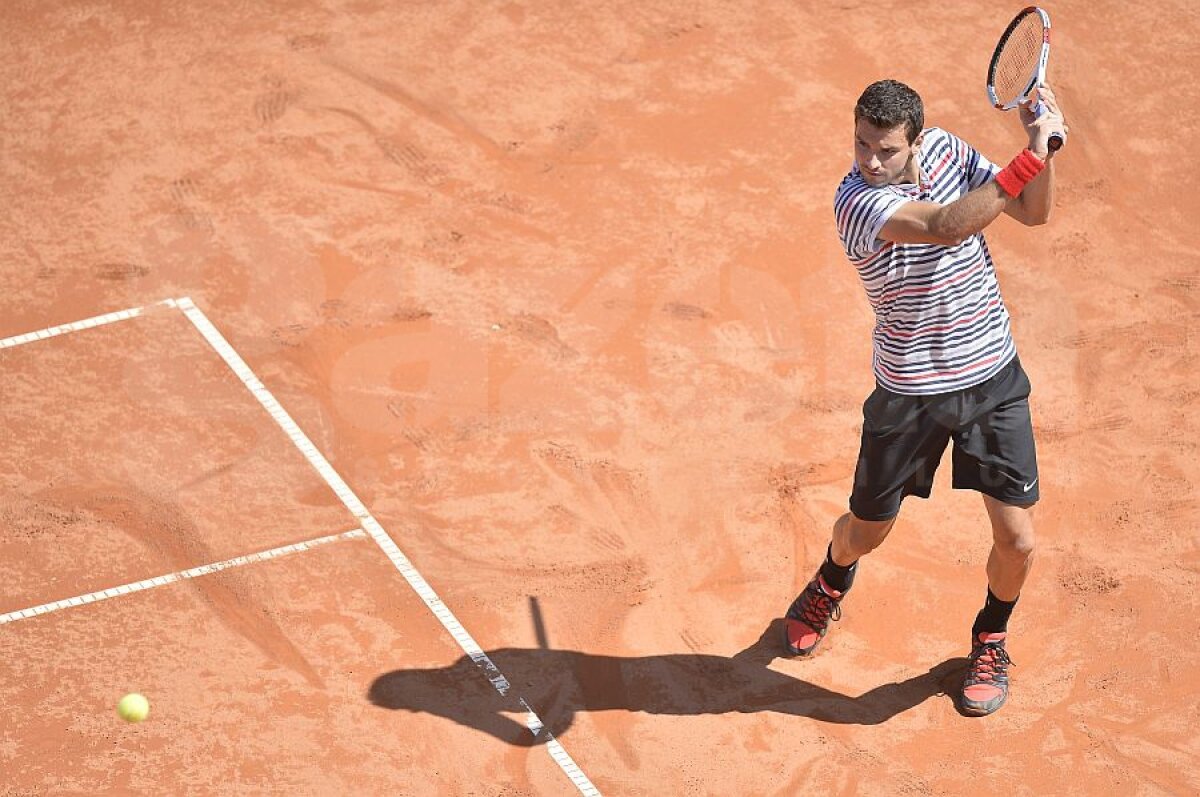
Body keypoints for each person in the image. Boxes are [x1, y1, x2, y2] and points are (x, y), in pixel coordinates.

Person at [782, 79, 1067, 716]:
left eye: (884, 150)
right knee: (865, 532)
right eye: (860, 144)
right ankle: (832, 577)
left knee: (1018, 541)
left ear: (915, 142)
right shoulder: (855, 203)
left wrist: (1041, 155)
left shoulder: (947, 151)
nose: (868, 161)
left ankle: (991, 635)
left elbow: (1032, 211)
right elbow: (944, 227)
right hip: (909, 391)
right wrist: (1027, 157)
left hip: (990, 373)